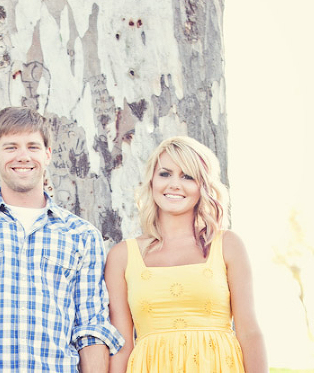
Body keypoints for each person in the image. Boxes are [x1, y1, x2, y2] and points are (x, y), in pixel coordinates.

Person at [0, 106, 124, 373]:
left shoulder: (81, 235)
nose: (23, 156)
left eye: (33, 146)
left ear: (47, 154)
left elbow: (91, 326)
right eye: (11, 147)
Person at [105, 136, 267, 373]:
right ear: (151, 180)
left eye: (187, 176)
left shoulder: (228, 245)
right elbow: (122, 344)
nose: (174, 184)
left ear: (203, 186)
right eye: (165, 174)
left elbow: (250, 332)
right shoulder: (122, 256)